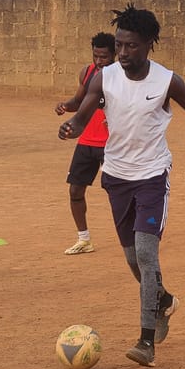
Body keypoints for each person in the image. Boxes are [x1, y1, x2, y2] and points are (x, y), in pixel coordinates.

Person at [59, 4, 185, 367]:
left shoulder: (166, 80)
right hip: (117, 177)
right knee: (131, 258)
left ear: (149, 44)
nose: (123, 53)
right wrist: (71, 127)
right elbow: (83, 115)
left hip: (153, 177)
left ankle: (146, 340)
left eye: (131, 46)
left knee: (145, 252)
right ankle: (164, 301)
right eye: (120, 45)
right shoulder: (104, 77)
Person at [55, 32, 115, 255]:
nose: (99, 61)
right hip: (86, 142)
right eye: (96, 56)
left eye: (105, 57)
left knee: (118, 193)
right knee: (75, 191)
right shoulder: (88, 72)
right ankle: (84, 239)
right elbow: (78, 102)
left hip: (111, 145)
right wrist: (65, 106)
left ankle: (135, 236)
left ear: (115, 55)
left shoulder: (121, 77)